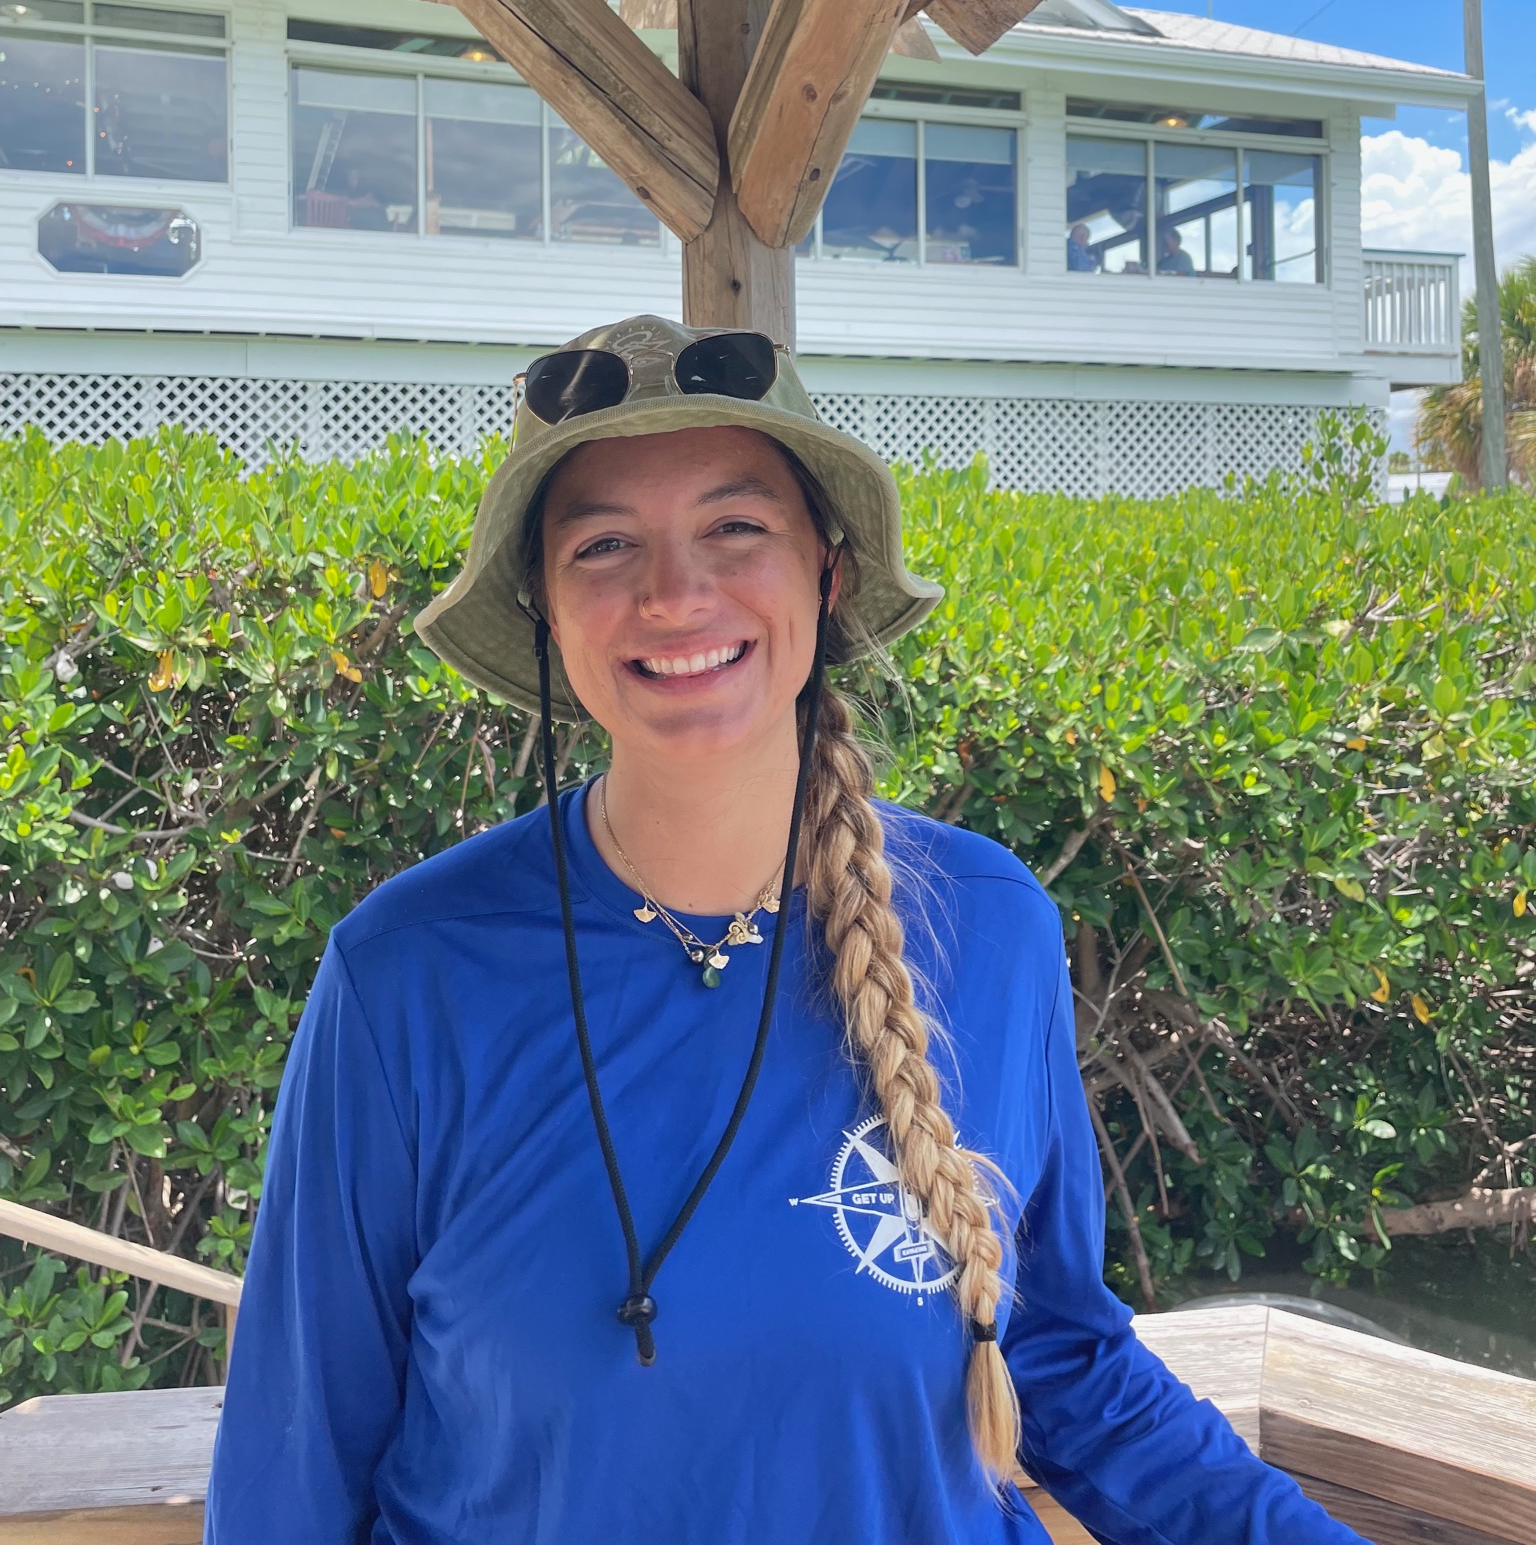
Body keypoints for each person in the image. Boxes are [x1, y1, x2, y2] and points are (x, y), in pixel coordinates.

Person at [205, 314, 1367, 1545]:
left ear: (830, 567)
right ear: (547, 608)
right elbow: (294, 1460)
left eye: (736, 525)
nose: (674, 591)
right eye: (604, 543)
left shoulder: (990, 927)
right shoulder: (407, 978)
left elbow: (1060, 1361)